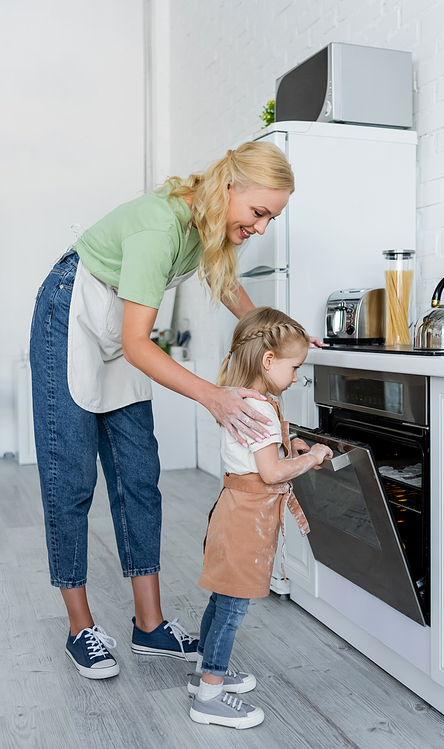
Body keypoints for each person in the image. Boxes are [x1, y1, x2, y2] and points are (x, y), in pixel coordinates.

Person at [30, 141, 328, 680]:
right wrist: (212, 396)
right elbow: (142, 346)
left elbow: (232, 292)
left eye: (272, 218)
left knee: (139, 475)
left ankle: (150, 625)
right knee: (70, 475)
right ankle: (79, 627)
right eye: (259, 213)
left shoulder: (204, 228)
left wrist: (289, 336)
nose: (262, 228)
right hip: (71, 311)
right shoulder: (159, 227)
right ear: (230, 188)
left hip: (121, 326)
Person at [188, 307, 333, 729]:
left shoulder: (243, 397)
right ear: (269, 361)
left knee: (222, 597)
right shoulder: (264, 409)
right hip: (247, 517)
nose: (296, 376)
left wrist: (296, 444)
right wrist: (314, 458)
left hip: (232, 508)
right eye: (295, 368)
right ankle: (210, 695)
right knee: (234, 606)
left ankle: (205, 672)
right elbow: (270, 472)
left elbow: (259, 454)